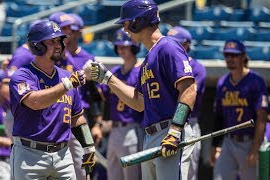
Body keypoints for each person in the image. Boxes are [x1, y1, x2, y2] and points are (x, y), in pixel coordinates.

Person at [85, 0, 197, 179]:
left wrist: (175, 131)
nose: (125, 29)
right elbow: (138, 103)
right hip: (150, 134)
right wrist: (108, 78)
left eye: (127, 23)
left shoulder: (168, 46)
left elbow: (189, 90)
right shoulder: (148, 58)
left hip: (170, 131)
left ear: (139, 21)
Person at [9, 20, 96, 179]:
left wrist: (88, 146)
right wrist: (68, 85)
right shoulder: (22, 75)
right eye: (51, 41)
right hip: (30, 155)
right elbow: (34, 102)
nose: (58, 45)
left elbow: (76, 118)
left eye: (59, 41)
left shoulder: (67, 76)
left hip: (63, 155)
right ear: (37, 45)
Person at [49, 12, 103, 180]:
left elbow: (95, 95)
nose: (68, 33)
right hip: (51, 115)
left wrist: (98, 123)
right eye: (64, 29)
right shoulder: (49, 58)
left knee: (80, 168)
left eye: (70, 29)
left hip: (78, 116)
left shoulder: (86, 59)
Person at [209, 39, 268, 180]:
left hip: (249, 141)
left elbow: (262, 117)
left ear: (243, 56)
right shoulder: (222, 82)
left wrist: (255, 147)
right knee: (219, 177)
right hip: (229, 141)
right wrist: (214, 145)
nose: (230, 58)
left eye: (234, 55)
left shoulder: (256, 81)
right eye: (227, 55)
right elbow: (219, 116)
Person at [100, 28, 144, 180]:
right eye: (119, 46)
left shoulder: (141, 70)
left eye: (125, 46)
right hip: (114, 130)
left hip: (132, 128)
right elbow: (103, 97)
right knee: (112, 174)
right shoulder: (115, 72)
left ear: (134, 46)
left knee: (132, 175)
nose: (121, 49)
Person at [167, 26, 206, 180]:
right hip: (168, 124)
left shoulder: (197, 68)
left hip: (189, 123)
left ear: (187, 45)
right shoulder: (165, 64)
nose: (172, 46)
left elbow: (186, 95)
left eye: (177, 43)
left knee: (188, 174)